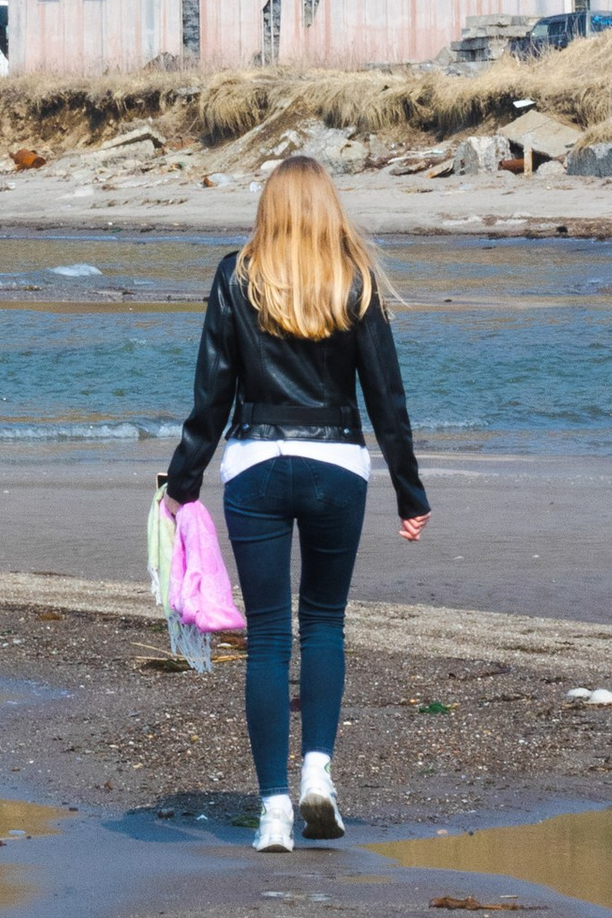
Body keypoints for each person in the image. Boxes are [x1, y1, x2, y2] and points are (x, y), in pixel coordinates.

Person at [165, 156, 428, 853]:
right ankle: (317, 773)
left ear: (269, 209)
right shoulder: (354, 278)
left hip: (254, 462)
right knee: (323, 623)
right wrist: (410, 490)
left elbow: (211, 392)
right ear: (327, 209)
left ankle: (274, 812)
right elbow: (386, 395)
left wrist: (181, 480)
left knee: (268, 637)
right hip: (337, 463)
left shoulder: (236, 275)